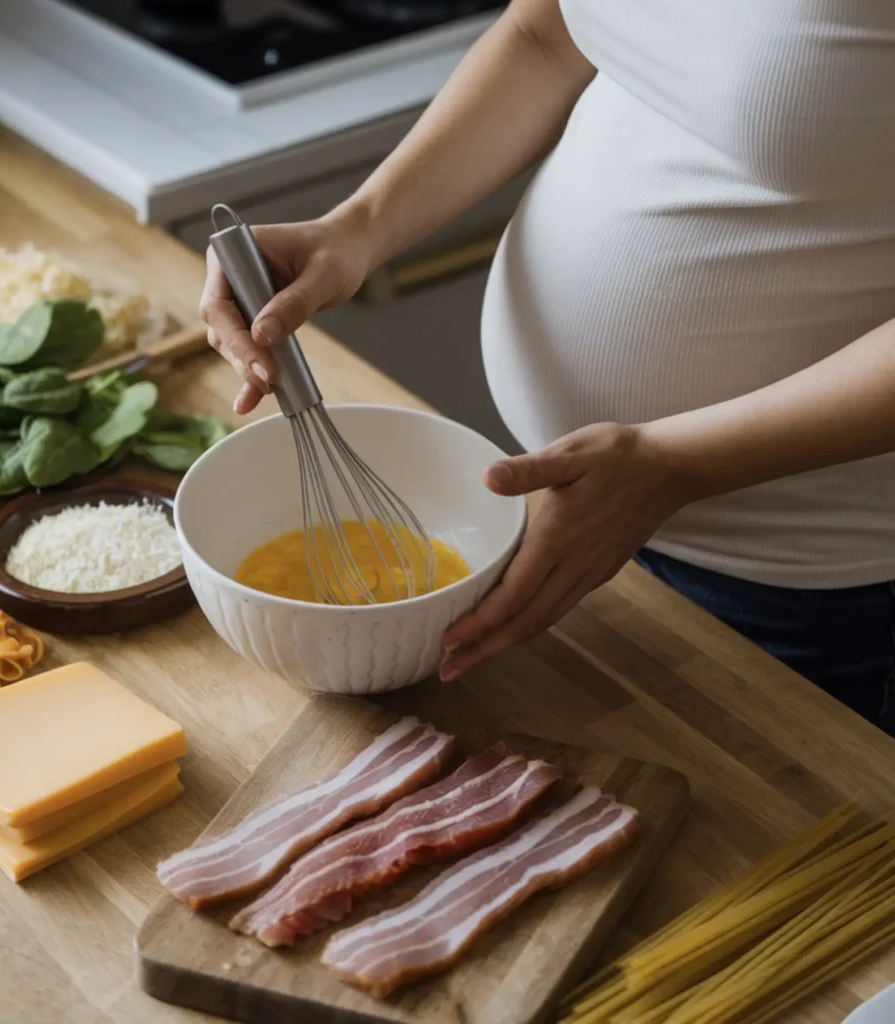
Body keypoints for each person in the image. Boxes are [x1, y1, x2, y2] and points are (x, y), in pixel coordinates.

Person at [201, 0, 895, 735]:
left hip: (796, 583)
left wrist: (680, 463)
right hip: (579, 515)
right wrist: (357, 227)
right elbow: (544, 37)